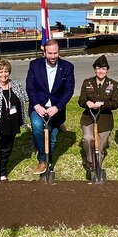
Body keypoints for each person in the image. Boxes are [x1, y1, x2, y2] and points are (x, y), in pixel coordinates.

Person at [26, 39, 75, 174]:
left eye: (56, 53)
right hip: (39, 106)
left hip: (56, 108)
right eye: (50, 53)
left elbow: (68, 90)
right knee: (37, 126)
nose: (53, 56)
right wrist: (36, 105)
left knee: (52, 137)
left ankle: (49, 160)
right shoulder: (34, 65)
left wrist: (57, 107)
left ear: (59, 52)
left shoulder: (67, 67)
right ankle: (43, 159)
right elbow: (30, 87)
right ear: (44, 53)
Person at [78, 55, 118, 172]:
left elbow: (116, 104)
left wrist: (103, 104)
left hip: (105, 119)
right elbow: (80, 100)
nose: (101, 71)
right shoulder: (87, 83)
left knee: (101, 146)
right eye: (98, 68)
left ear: (107, 70)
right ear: (94, 69)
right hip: (89, 117)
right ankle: (90, 161)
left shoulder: (113, 84)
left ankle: (98, 167)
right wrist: (87, 103)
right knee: (87, 138)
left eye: (103, 69)